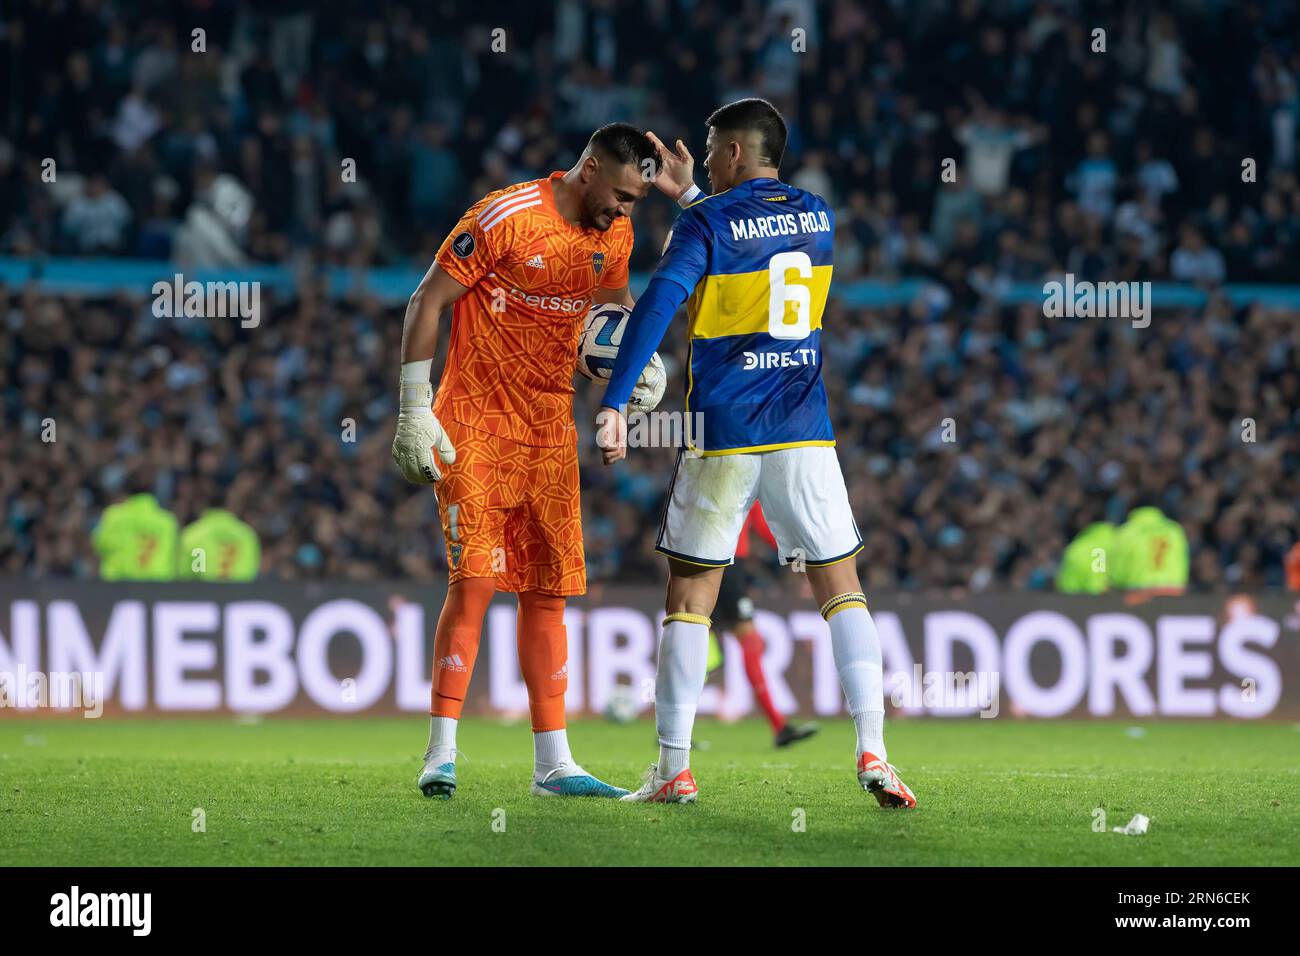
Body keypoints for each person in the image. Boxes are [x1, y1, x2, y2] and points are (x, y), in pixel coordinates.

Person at [596, 98, 915, 808]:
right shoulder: (818, 215)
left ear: (735, 153)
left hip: (725, 428)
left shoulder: (704, 222)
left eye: (710, 151)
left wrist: (617, 401)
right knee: (842, 588)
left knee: (689, 596)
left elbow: (659, 302)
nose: (701, 161)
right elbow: (758, 235)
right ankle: (875, 751)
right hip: (804, 426)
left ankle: (673, 769)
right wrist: (694, 193)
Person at [392, 123, 660, 799]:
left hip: (549, 431)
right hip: (474, 422)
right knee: (476, 581)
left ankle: (553, 765)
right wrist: (412, 409)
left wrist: (625, 388)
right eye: (622, 194)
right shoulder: (504, 215)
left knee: (548, 592)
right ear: (589, 167)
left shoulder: (616, 238)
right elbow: (427, 299)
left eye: (636, 201)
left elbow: (607, 320)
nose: (625, 211)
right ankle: (441, 753)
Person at [712, 502, 819, 747]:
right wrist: (800, 561)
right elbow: (765, 526)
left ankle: (672, 726)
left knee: (700, 644)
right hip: (728, 564)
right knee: (750, 642)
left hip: (707, 558)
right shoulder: (747, 472)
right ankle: (778, 725)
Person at [92, 493, 178, 581]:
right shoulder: (167, 521)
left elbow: (98, 546)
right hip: (158, 588)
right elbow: (174, 559)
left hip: (117, 587)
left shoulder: (113, 516)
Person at [1110, 506, 1189, 592]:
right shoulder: (1175, 529)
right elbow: (1183, 561)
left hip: (1139, 592)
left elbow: (1118, 570)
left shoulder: (1126, 531)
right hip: (1173, 590)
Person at [176, 508, 261, 581]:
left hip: (201, 595)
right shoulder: (246, 534)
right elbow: (251, 571)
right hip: (240, 596)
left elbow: (184, 575)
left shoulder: (193, 533)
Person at [1056, 520, 1116, 594]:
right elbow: (1098, 586)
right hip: (1105, 599)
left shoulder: (1076, 546)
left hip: (1071, 599)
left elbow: (1065, 584)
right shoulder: (1117, 541)